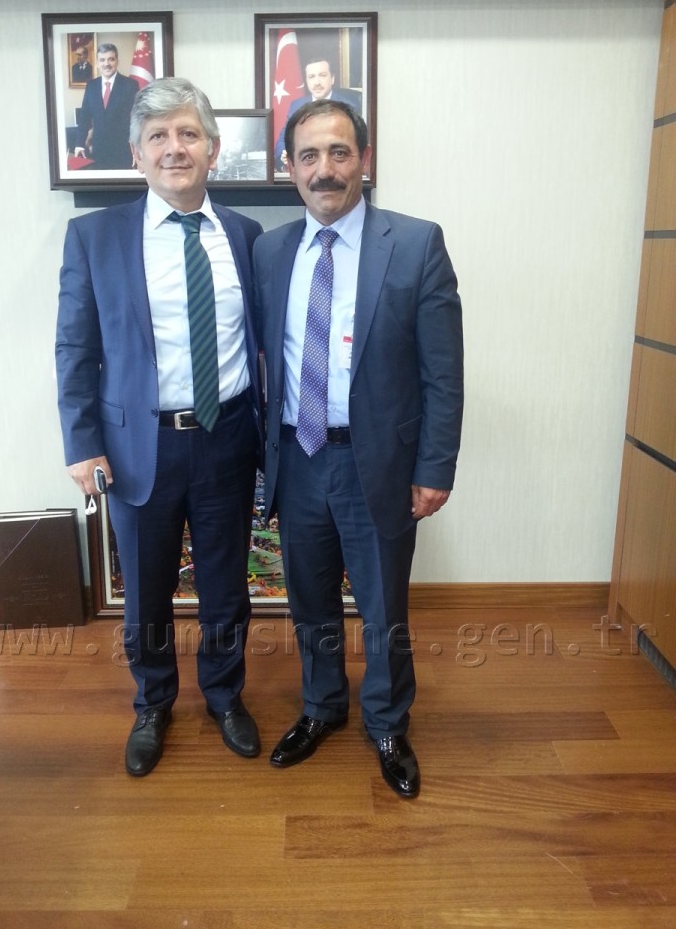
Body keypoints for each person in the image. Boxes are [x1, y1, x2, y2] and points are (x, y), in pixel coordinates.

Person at [254, 100, 463, 799]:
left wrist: (435, 466)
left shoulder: (416, 244)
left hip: (380, 463)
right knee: (309, 599)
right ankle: (321, 707)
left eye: (340, 152)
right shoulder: (270, 252)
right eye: (309, 156)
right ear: (290, 168)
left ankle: (388, 723)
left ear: (364, 160)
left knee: (382, 607)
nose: (325, 169)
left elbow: (443, 372)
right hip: (298, 457)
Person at [56, 77, 264, 777]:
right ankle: (152, 704)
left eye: (188, 134)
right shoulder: (95, 237)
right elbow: (75, 347)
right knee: (146, 590)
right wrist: (82, 443)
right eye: (158, 137)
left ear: (213, 149)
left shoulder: (245, 236)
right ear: (137, 154)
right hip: (138, 445)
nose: (175, 148)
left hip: (228, 436)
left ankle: (225, 695)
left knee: (226, 584)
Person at [274, 57, 362, 170]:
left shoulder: (350, 106)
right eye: (311, 77)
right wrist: (285, 154)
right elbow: (283, 139)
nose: (317, 82)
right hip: (306, 167)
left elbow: (356, 144)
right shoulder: (296, 106)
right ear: (306, 81)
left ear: (332, 79)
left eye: (322, 75)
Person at [74, 43, 138, 169]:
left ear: (117, 61)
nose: (106, 64)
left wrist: (137, 149)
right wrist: (79, 144)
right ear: (97, 63)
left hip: (124, 152)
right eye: (102, 60)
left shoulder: (130, 85)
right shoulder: (91, 85)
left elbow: (138, 120)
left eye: (111, 59)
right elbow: (84, 117)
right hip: (98, 151)